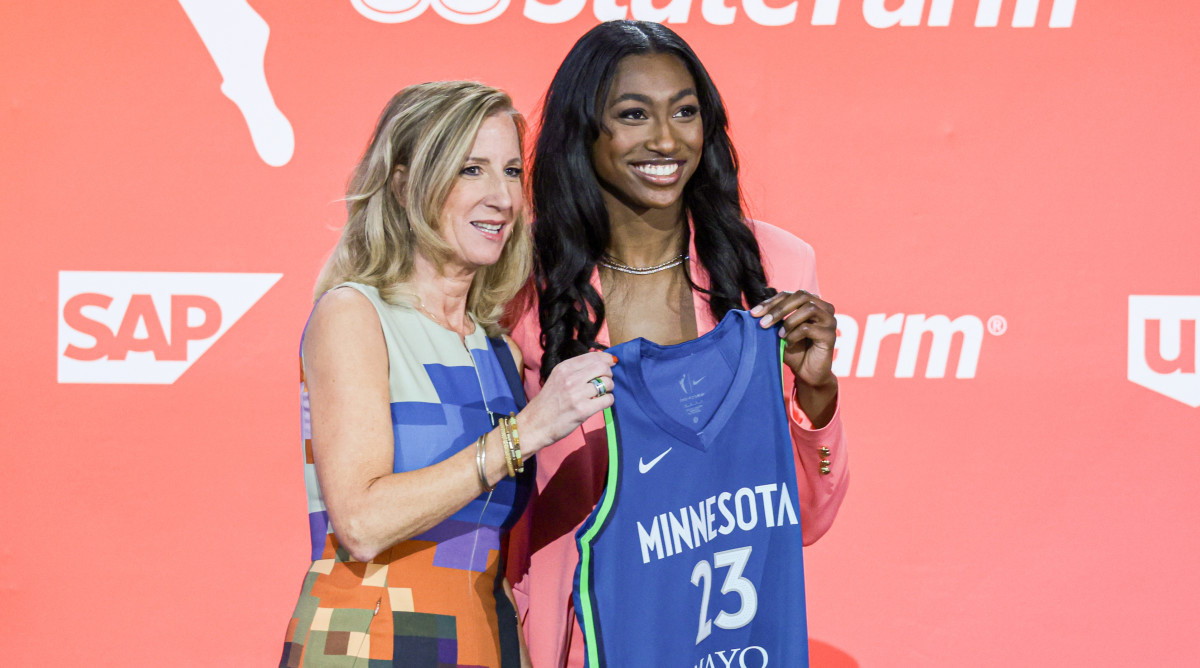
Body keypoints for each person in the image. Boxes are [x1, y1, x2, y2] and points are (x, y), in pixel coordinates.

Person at [505, 21, 851, 667]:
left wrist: (818, 399)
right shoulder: (522, 290)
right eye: (633, 115)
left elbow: (802, 518)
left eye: (685, 112)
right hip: (572, 646)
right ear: (584, 130)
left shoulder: (773, 268)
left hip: (732, 646)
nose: (666, 139)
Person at [279, 81, 616, 668]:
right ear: (406, 184)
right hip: (368, 643)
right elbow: (361, 522)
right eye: (471, 170)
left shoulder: (499, 352)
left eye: (511, 171)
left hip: (487, 645)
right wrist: (524, 434)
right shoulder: (355, 316)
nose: (502, 198)